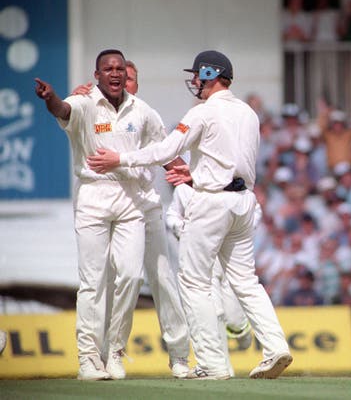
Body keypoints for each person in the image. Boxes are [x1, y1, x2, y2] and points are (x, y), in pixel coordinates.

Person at [87, 50, 293, 380]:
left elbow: (166, 151)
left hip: (211, 203)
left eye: (198, 75)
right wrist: (198, 175)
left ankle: (213, 364)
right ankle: (276, 347)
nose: (195, 81)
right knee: (246, 281)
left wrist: (120, 159)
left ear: (212, 75)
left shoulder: (201, 113)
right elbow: (234, 163)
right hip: (243, 201)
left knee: (193, 282)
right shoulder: (249, 114)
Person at [34, 49, 185, 381]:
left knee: (131, 277)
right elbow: (62, 110)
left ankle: (115, 351)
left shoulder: (142, 110)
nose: (116, 74)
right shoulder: (85, 102)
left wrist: (186, 172)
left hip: (131, 198)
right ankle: (88, 358)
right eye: (109, 69)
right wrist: (51, 97)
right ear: (97, 75)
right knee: (93, 281)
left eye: (121, 69)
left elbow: (163, 150)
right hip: (94, 196)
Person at [166, 183, 255, 377]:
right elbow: (172, 215)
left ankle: (241, 330)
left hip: (231, 257)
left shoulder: (229, 182)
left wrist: (236, 232)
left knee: (233, 317)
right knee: (216, 312)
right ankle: (222, 366)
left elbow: (253, 210)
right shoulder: (184, 189)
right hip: (203, 259)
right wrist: (182, 229)